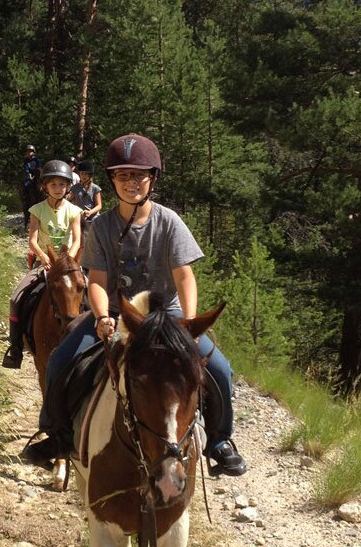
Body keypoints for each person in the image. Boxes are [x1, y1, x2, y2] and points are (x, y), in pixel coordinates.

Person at [20, 134, 246, 477]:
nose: (131, 183)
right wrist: (99, 317)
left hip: (164, 313)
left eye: (139, 175)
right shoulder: (103, 226)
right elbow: (96, 279)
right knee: (62, 360)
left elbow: (184, 276)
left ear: (152, 178)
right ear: (112, 179)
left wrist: (187, 320)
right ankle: (57, 435)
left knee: (220, 370)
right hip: (114, 312)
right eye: (123, 175)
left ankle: (219, 441)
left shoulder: (169, 222)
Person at [2, 160, 84, 369]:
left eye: (63, 185)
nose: (58, 189)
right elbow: (32, 240)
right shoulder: (37, 210)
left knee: (92, 293)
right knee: (16, 297)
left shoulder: (74, 211)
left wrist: (68, 261)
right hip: (44, 262)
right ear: (44, 186)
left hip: (68, 263)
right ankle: (16, 348)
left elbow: (77, 240)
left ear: (68, 187)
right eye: (54, 185)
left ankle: (99, 344)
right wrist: (44, 256)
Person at [67, 159, 102, 243]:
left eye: (86, 174)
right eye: (82, 173)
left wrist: (90, 212)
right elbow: (68, 200)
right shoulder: (75, 188)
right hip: (79, 217)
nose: (84, 176)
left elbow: (99, 206)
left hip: (93, 218)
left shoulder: (95, 188)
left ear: (90, 175)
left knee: (93, 241)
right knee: (78, 240)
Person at [21, 144, 42, 229]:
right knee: (26, 185)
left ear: (33, 152)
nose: (29, 153)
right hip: (29, 177)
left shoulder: (37, 160)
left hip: (37, 176)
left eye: (30, 151)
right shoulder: (26, 161)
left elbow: (39, 168)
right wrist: (28, 174)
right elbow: (25, 168)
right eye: (28, 152)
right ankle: (26, 199)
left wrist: (36, 173)